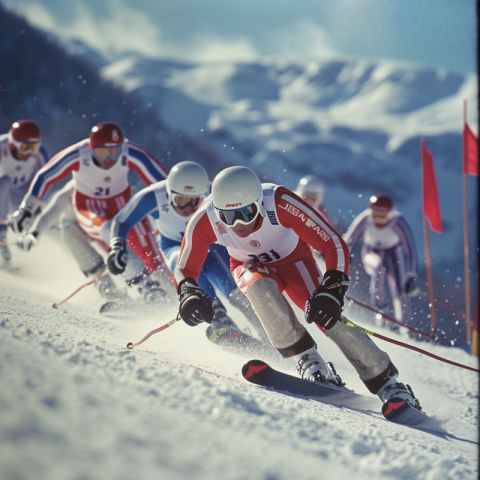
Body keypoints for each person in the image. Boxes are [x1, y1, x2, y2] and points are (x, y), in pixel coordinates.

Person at [172, 166, 422, 410]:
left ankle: (388, 383)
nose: (238, 223)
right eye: (229, 216)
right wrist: (187, 291)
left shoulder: (279, 202)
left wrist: (333, 286)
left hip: (294, 261)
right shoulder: (206, 218)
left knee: (328, 317)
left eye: (247, 212)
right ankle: (308, 360)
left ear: (259, 203)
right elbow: (184, 268)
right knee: (260, 291)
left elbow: (333, 243)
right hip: (248, 264)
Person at [108, 161, 267, 341]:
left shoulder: (215, 195)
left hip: (211, 247)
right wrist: (117, 245)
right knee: (181, 262)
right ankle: (218, 317)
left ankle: (269, 333)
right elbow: (121, 221)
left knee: (236, 290)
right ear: (169, 194)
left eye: (195, 201)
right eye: (181, 201)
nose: (188, 209)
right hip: (174, 247)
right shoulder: (154, 196)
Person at [11, 122, 168, 299]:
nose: (108, 159)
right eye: (102, 153)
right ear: (92, 149)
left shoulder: (130, 152)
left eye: (114, 153)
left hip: (122, 205)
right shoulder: (77, 165)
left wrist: (174, 210)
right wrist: (29, 218)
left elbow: (165, 183)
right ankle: (128, 288)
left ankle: (169, 294)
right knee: (96, 231)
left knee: (151, 255)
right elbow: (47, 181)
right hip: (90, 212)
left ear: (121, 149)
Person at [343, 194, 419, 327]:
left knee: (399, 287)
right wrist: (344, 254)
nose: (378, 219)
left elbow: (410, 250)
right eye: (375, 215)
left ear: (390, 215)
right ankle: (379, 313)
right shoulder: (365, 219)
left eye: (383, 216)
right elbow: (350, 238)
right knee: (379, 268)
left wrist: (411, 275)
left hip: (393, 253)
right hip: (371, 251)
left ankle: (404, 325)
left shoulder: (398, 223)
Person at [0, 120, 48, 264]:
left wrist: (35, 205)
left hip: (21, 195)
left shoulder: (40, 153)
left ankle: (26, 256)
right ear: (13, 144)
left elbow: (47, 180)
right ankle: (2, 238)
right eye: (25, 147)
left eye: (33, 148)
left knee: (36, 221)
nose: (29, 153)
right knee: (4, 181)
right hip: (1, 194)